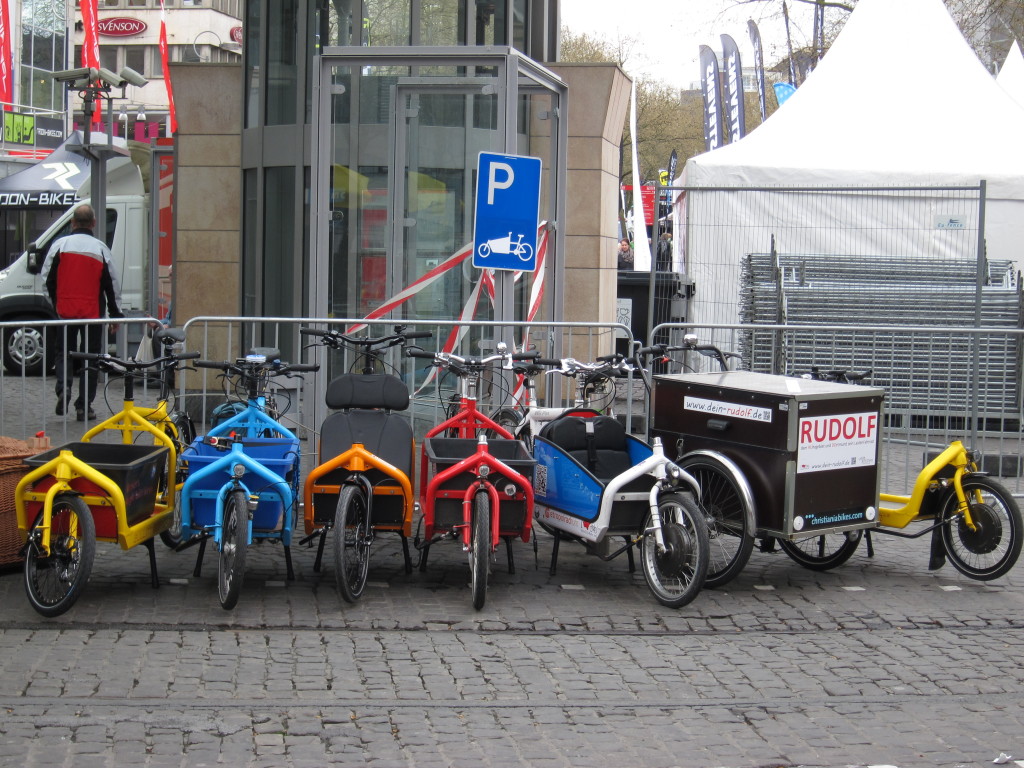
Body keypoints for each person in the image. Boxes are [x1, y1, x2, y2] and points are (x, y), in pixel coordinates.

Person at [41, 203, 124, 421]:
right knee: (91, 359)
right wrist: (116, 315)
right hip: (93, 314)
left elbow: (47, 279)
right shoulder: (101, 249)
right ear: (94, 224)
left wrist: (56, 305)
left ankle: (63, 389)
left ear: (73, 222)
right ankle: (83, 406)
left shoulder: (60, 245)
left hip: (65, 313)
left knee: (63, 353)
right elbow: (111, 285)